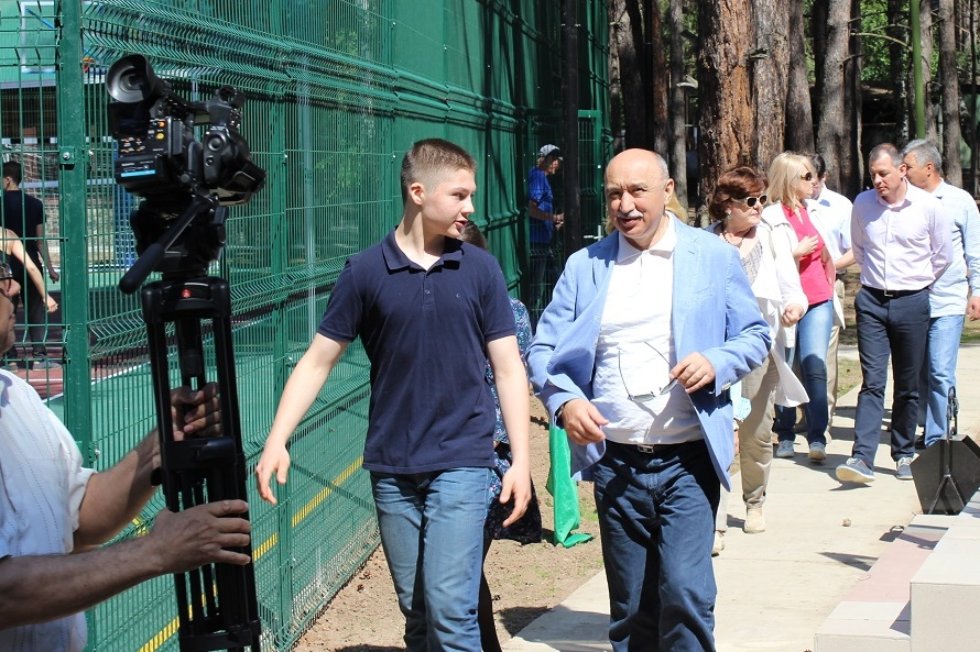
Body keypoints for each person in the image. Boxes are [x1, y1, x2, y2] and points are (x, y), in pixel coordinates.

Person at [255, 138, 532, 651]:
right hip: (393, 467)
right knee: (419, 613)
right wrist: (277, 439)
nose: (470, 207)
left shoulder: (479, 269)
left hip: (463, 460)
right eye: (460, 195)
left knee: (452, 609)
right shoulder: (364, 272)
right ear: (418, 192)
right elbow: (318, 361)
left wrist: (520, 460)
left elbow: (510, 370)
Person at [527, 148, 770, 650]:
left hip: (688, 460)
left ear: (667, 192)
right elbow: (543, 350)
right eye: (615, 192)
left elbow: (753, 336)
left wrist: (716, 363)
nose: (625, 203)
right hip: (616, 463)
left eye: (637, 190)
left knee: (685, 595)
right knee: (633, 609)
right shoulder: (585, 266)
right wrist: (567, 403)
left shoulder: (711, 256)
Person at [0, 262, 252, 651]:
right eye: (0, 275)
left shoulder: (17, 396)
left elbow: (81, 518)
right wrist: (155, 552)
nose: (15, 286)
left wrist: (161, 447)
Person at [837, 143, 953, 484]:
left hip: (912, 301)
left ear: (902, 170)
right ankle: (861, 457)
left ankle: (903, 453)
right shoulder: (863, 204)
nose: (877, 180)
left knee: (907, 384)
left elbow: (942, 255)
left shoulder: (929, 207)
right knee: (872, 381)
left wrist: (917, 285)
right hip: (872, 301)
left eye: (883, 173)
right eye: (873, 174)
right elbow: (858, 247)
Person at [706, 166, 807, 551]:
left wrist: (794, 307)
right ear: (728, 204)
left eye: (763, 199)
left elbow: (791, 287)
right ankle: (715, 523)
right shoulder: (706, 241)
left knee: (754, 432)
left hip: (756, 349)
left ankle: (755, 501)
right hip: (712, 351)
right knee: (716, 434)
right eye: (751, 201)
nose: (759, 207)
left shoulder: (771, 236)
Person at [457, 221, 542, 652]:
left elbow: (518, 375)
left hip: (487, 464)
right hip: (435, 457)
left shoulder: (509, 312)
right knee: (460, 578)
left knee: (462, 575)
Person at [901, 139, 980, 447]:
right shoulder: (905, 201)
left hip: (948, 299)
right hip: (914, 299)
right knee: (919, 372)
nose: (903, 172)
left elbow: (975, 251)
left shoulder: (959, 201)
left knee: (939, 370)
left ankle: (938, 438)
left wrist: (977, 291)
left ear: (929, 168)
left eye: (908, 166)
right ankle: (927, 425)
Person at [763, 152, 835, 463]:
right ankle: (786, 434)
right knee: (784, 368)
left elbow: (827, 252)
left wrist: (830, 285)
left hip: (818, 299)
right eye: (805, 176)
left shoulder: (813, 211)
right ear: (790, 180)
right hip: (787, 302)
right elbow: (768, 261)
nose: (812, 181)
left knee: (814, 366)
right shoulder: (770, 216)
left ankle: (817, 437)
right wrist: (795, 252)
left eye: (812, 175)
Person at [806, 154, 855, 437]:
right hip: (793, 285)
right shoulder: (786, 206)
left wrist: (827, 266)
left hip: (828, 283)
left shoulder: (840, 206)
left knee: (823, 355)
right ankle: (800, 416)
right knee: (797, 358)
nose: (807, 183)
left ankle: (823, 419)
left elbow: (853, 249)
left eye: (811, 177)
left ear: (823, 177)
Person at [2, 161, 60, 368]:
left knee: (7, 309)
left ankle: (8, 354)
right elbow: (40, 240)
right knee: (35, 309)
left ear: (7, 180)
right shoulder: (35, 204)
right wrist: (51, 268)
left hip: (5, 266)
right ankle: (39, 354)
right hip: (30, 262)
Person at [526, 144, 564, 326]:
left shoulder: (541, 177)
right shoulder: (538, 177)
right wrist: (553, 217)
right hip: (537, 243)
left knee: (553, 280)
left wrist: (552, 222)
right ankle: (533, 324)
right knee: (538, 287)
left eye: (557, 159)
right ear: (545, 159)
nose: (557, 163)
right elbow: (531, 210)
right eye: (554, 159)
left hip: (543, 241)